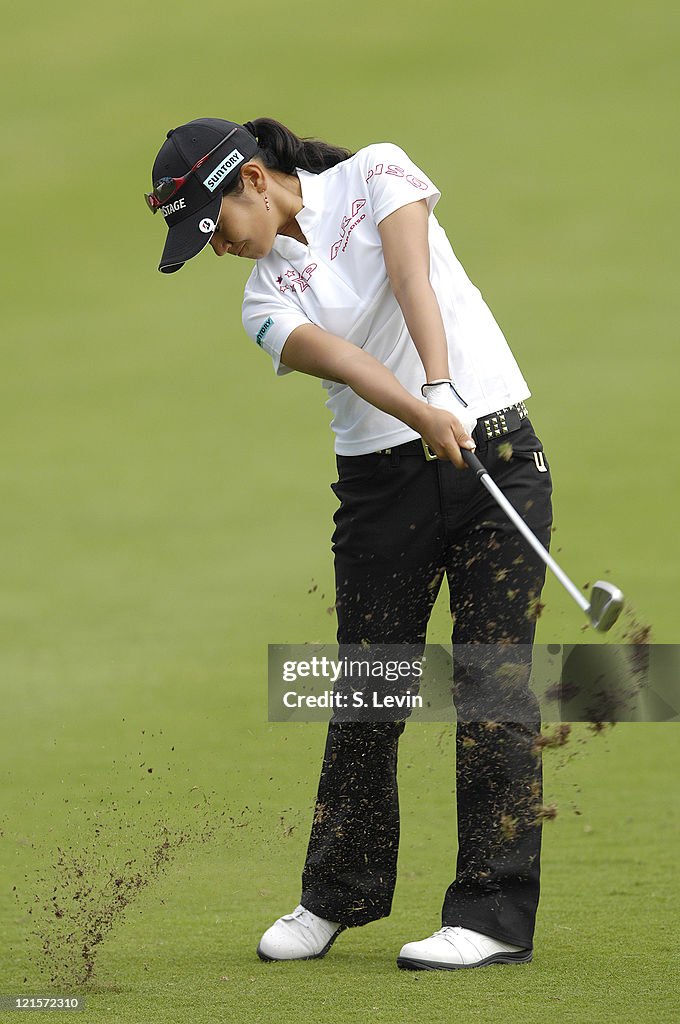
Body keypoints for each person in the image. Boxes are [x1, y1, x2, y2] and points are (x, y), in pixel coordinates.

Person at [145, 117, 553, 971]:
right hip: (382, 488)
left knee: (491, 684)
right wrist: (420, 410)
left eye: (212, 226)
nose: (216, 248)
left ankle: (490, 914)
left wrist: (444, 387)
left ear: (252, 179)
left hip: (498, 455)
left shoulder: (377, 172)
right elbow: (352, 366)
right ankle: (338, 895)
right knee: (370, 691)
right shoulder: (263, 300)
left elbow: (412, 279)